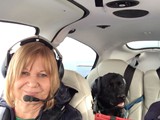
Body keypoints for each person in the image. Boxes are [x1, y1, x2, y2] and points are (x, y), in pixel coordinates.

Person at [0, 36, 82, 120]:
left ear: (54, 80)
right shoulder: (1, 109)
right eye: (24, 73)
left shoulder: (70, 117)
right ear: (10, 75)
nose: (32, 84)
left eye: (42, 75)